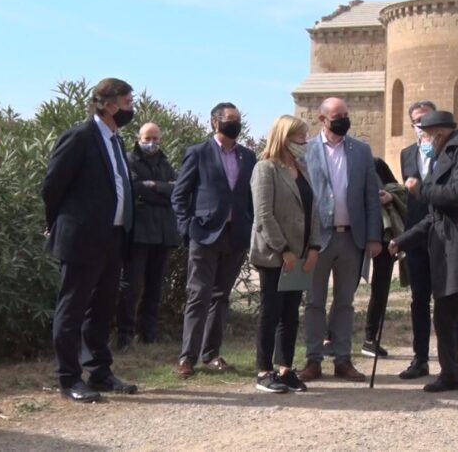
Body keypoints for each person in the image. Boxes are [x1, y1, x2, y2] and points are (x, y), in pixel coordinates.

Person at [390, 110, 458, 403]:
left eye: (426, 135)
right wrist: (402, 240)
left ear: (439, 133)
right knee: (444, 314)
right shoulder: (444, 155)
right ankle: (450, 374)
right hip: (446, 248)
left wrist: (421, 188)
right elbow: (435, 216)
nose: (423, 141)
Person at [42, 77, 138, 402]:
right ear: (109, 103)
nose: (131, 109)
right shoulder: (80, 136)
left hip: (113, 236)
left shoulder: (116, 140)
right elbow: (52, 184)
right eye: (127, 103)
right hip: (82, 237)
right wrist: (56, 222)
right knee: (72, 307)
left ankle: (99, 370)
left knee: (102, 306)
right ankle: (69, 378)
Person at [298, 97, 382, 383]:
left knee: (345, 302)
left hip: (352, 239)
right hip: (317, 240)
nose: (344, 119)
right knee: (314, 302)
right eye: (337, 116)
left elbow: (372, 196)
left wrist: (374, 236)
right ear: (322, 119)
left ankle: (343, 360)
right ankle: (313, 361)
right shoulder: (305, 150)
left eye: (346, 114)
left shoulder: (361, 151)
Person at [171, 102, 256, 377]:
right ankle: (187, 358)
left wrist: (249, 221)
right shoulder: (198, 153)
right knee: (198, 295)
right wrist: (187, 228)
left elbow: (250, 197)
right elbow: (179, 195)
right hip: (205, 234)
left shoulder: (248, 156)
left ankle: (211, 354)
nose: (235, 124)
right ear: (215, 122)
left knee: (221, 297)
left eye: (238, 119)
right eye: (230, 119)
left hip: (236, 235)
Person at [250, 115, 320, 393]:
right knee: (271, 312)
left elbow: (313, 210)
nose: (304, 142)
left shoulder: (303, 170)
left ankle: (285, 368)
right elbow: (263, 215)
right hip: (275, 255)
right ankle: (264, 370)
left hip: (301, 255)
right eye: (299, 137)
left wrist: (313, 247)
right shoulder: (265, 168)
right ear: (284, 137)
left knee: (291, 313)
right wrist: (284, 250)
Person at [116, 122, 180, 350]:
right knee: (131, 287)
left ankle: (149, 334)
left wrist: (154, 186)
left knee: (155, 287)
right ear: (138, 137)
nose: (152, 142)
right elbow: (135, 189)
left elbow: (177, 190)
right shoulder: (129, 159)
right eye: (147, 137)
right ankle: (125, 334)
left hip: (163, 232)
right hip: (139, 234)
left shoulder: (164, 162)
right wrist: (161, 188)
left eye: (156, 138)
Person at [397, 100, 438, 379]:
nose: (421, 125)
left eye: (426, 119)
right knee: (419, 299)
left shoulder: (451, 150)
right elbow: (409, 196)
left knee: (447, 300)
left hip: (446, 235)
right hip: (417, 235)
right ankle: (420, 358)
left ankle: (450, 361)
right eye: (416, 121)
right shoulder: (407, 154)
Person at [361, 158, 406, 358]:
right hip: (354, 234)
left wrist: (389, 196)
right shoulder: (343, 166)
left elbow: (397, 188)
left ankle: (370, 339)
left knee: (380, 287)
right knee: (346, 288)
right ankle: (330, 338)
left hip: (383, 234)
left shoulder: (375, 163)